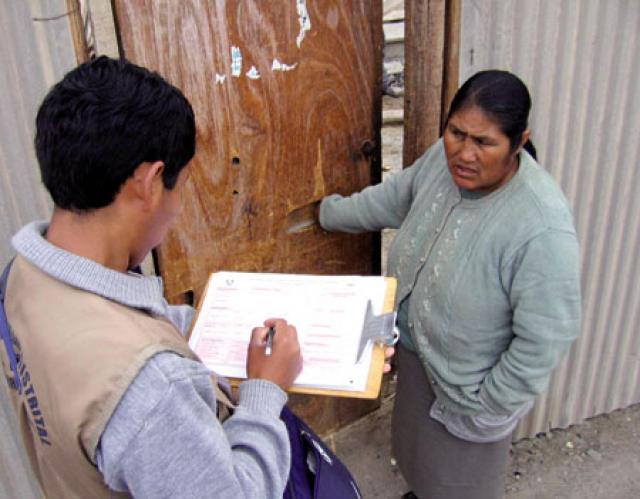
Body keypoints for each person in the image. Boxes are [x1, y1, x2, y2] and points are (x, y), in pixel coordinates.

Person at [0, 56, 304, 498]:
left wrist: (179, 327)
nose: (178, 207)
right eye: (181, 186)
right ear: (149, 182)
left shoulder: (22, 277)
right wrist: (264, 392)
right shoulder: (152, 387)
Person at [318, 70, 581, 498]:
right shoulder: (443, 164)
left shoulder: (541, 227)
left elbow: (548, 335)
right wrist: (327, 214)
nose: (464, 153)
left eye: (484, 142)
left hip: (472, 388)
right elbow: (393, 198)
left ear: (518, 142)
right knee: (418, 453)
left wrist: (488, 403)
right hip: (421, 359)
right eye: (456, 133)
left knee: (460, 482)